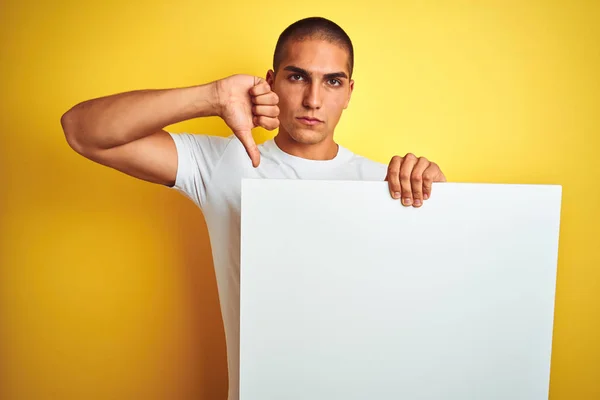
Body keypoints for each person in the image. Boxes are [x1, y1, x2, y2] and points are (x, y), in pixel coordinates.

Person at [60, 16, 446, 400]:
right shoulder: (223, 163)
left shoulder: (389, 185)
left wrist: (441, 197)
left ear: (349, 92)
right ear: (272, 81)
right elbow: (83, 131)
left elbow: (435, 307)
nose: (313, 99)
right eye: (297, 76)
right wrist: (212, 96)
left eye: (332, 81)